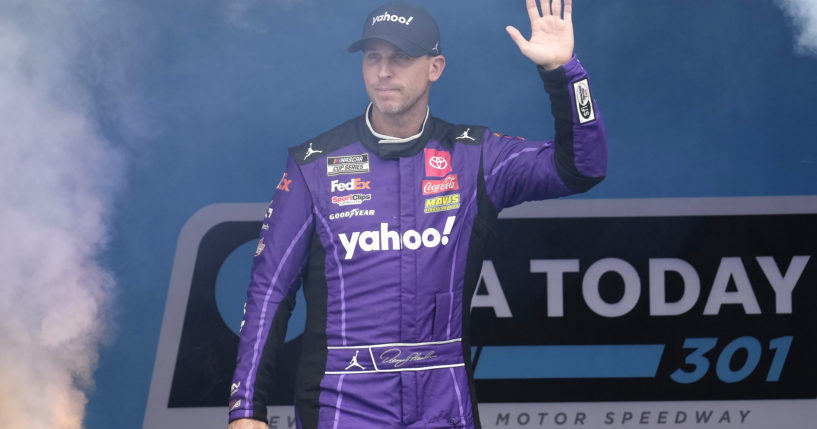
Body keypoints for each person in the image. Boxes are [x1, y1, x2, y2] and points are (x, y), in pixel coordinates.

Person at [228, 0, 606, 427]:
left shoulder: (476, 156)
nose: (384, 71)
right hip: (343, 405)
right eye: (374, 57)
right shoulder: (313, 166)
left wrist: (565, 73)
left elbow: (581, 168)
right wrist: (246, 410)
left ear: (435, 67)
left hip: (443, 404)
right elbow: (270, 291)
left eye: (401, 58)